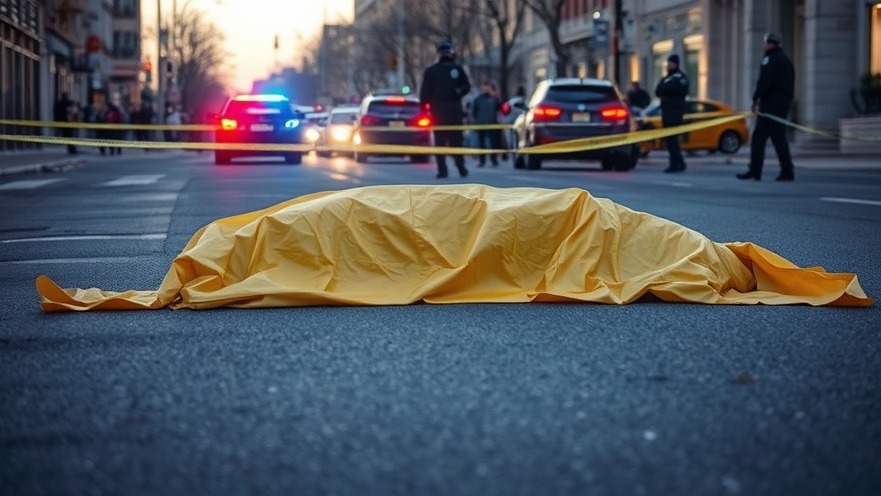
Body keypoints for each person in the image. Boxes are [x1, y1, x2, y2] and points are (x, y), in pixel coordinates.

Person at [737, 32, 796, 182]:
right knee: (778, 138)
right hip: (783, 103)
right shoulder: (786, 60)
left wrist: (755, 98)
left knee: (758, 138)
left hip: (771, 104)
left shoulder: (770, 59)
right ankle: (787, 170)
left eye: (767, 43)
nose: (765, 45)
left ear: (771, 44)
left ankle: (755, 170)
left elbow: (764, 81)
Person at [419, 41, 472, 178]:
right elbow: (466, 86)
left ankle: (443, 170)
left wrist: (424, 108)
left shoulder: (431, 71)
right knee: (456, 141)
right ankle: (461, 168)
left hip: (438, 111)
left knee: (440, 142)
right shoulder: (457, 69)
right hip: (454, 111)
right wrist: (459, 91)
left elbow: (424, 93)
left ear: (438, 55)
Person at [655, 54, 689, 173]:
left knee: (672, 139)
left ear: (676, 64)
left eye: (671, 63)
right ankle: (679, 162)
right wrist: (666, 88)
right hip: (666, 111)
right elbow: (658, 91)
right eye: (668, 63)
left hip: (675, 112)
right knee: (670, 140)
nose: (668, 65)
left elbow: (680, 90)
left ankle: (675, 164)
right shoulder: (667, 78)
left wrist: (667, 89)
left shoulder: (680, 77)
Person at [471, 80, 502, 167]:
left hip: (492, 124)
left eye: (488, 87)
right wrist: (477, 120)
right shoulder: (478, 99)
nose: (486, 89)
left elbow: (500, 108)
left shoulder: (494, 99)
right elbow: (474, 112)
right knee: (482, 144)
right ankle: (482, 160)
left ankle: (494, 159)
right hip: (481, 124)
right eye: (484, 87)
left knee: (493, 143)